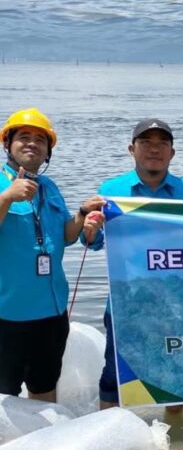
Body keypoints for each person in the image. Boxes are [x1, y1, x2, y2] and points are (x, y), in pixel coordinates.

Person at [87, 118, 183, 408]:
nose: (154, 149)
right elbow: (94, 243)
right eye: (146, 143)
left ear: (172, 153)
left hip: (178, 300)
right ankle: (108, 435)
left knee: (176, 371)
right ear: (131, 149)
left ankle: (173, 438)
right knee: (115, 373)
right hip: (127, 301)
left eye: (162, 144)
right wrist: (89, 225)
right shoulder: (111, 191)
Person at [0, 109, 104, 401]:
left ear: (48, 152)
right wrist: (7, 196)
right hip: (8, 315)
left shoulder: (50, 187)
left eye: (40, 140)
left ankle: (40, 445)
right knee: (4, 396)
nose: (32, 143)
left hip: (52, 313)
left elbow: (66, 237)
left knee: (44, 389)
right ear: (7, 144)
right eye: (24, 137)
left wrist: (83, 215)